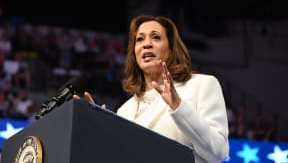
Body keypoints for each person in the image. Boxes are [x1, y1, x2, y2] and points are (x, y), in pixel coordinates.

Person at [74, 15, 229, 163]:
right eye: (140, 39)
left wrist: (179, 107)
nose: (146, 44)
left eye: (156, 37)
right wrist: (99, 133)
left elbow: (218, 152)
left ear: (170, 50)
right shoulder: (124, 111)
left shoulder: (202, 85)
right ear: (135, 53)